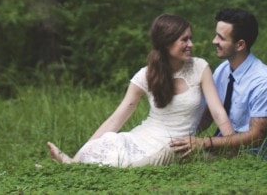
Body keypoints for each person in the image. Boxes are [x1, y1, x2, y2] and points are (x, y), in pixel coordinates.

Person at [46, 13, 234, 167]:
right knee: (112, 142)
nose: (191, 44)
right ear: (167, 42)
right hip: (143, 138)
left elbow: (218, 112)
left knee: (162, 155)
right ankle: (73, 164)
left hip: (176, 146)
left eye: (190, 38)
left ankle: (75, 167)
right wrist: (79, 155)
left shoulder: (200, 67)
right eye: (184, 40)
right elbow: (116, 119)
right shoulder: (146, 75)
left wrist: (233, 143)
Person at [170, 8, 267, 160]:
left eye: (221, 38)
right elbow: (210, 113)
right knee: (170, 149)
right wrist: (184, 136)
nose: (214, 41)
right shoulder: (223, 70)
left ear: (240, 45)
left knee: (173, 158)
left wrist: (204, 143)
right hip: (222, 148)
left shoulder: (264, 82)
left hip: (250, 156)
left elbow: (256, 137)